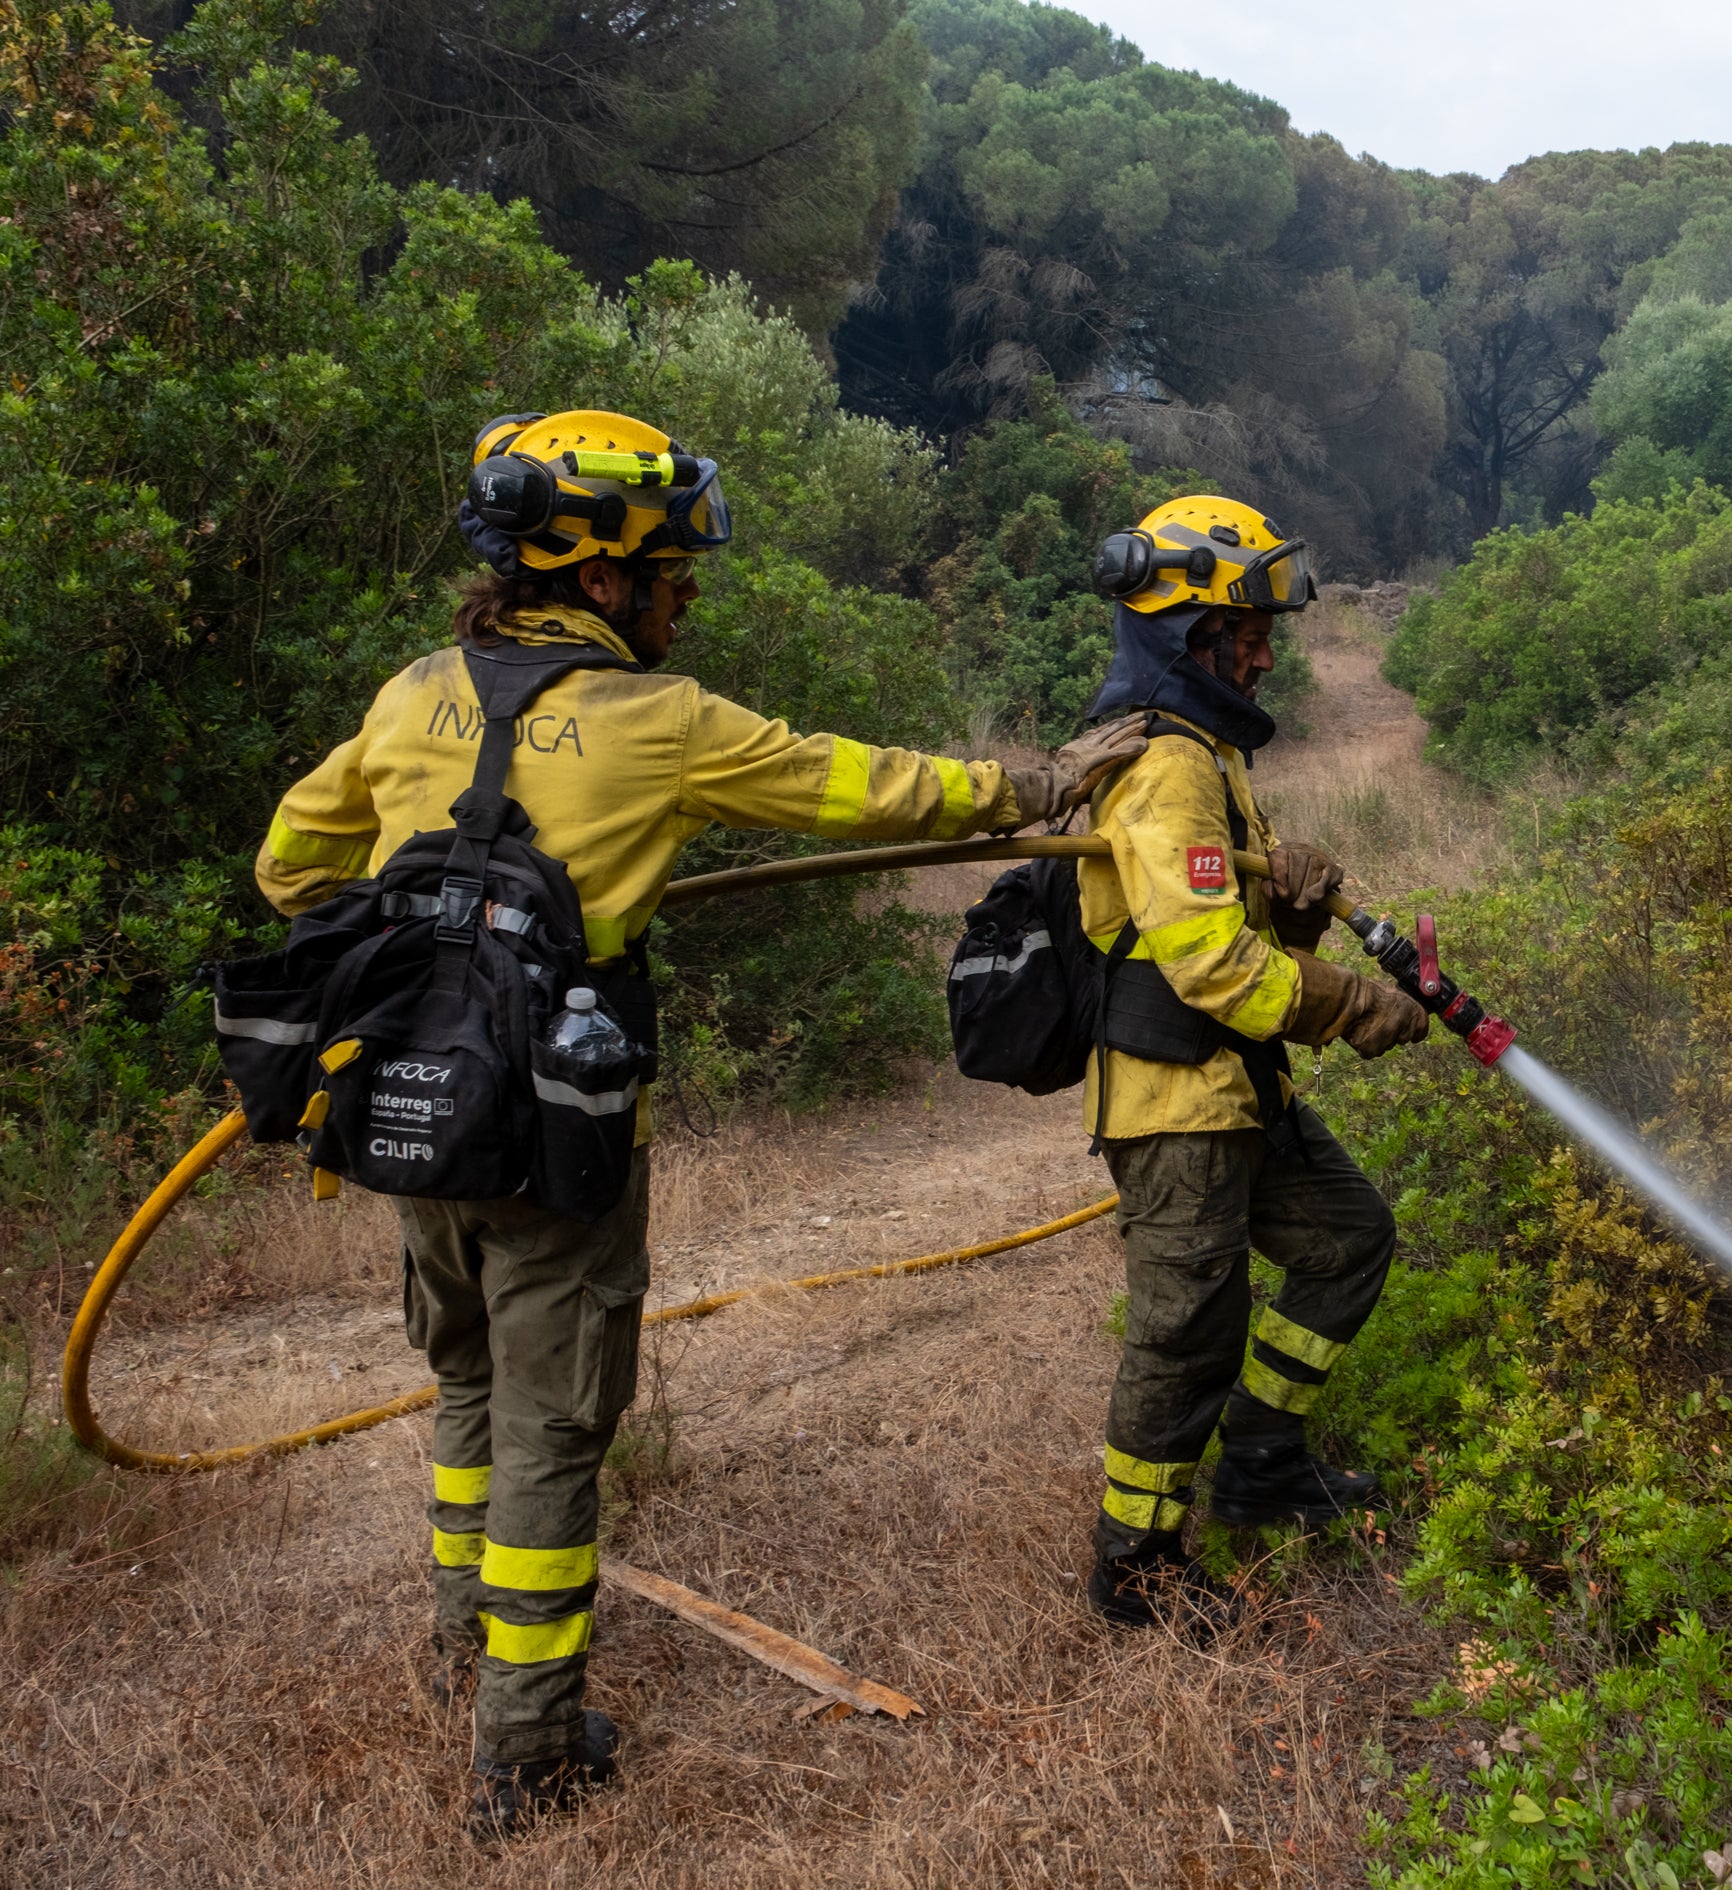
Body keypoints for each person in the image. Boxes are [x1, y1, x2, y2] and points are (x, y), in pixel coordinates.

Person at [252, 410, 1147, 1838]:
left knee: (469, 1381)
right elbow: (864, 787)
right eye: (673, 571)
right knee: (557, 1416)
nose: (688, 595)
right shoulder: (656, 722)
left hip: (409, 1103)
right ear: (601, 578)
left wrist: (425, 920)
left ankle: (457, 1649)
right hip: (555, 1125)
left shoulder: (412, 689)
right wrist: (1030, 787)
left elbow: (289, 861)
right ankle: (527, 1749)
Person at [1075, 495, 1433, 1629]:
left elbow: (1243, 938)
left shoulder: (1207, 753)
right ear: (1193, 636)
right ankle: (1135, 1566)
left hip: (1239, 1088)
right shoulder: (1165, 765)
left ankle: (1264, 1462)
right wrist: (1355, 1005)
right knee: (1187, 1332)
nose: (1267, 655)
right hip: (1176, 1101)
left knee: (1346, 1239)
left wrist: (1301, 906)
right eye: (1250, 633)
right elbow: (1212, 969)